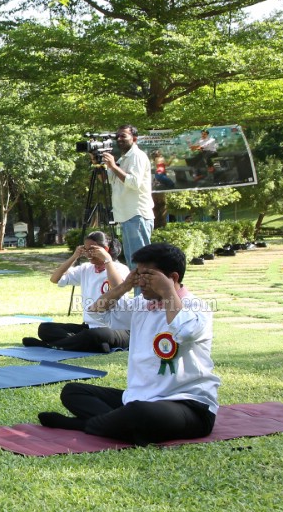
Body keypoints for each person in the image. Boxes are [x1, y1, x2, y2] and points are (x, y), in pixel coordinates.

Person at [38, 243, 220, 445]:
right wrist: (125, 286)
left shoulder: (197, 307)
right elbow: (95, 311)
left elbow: (184, 331)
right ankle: (118, 425)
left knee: (139, 413)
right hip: (138, 398)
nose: (141, 282)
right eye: (138, 274)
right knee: (73, 391)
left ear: (173, 277)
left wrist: (168, 291)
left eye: (148, 276)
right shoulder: (142, 304)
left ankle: (84, 425)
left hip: (187, 404)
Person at [24, 231, 131, 353]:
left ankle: (50, 346)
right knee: (45, 328)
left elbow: (118, 287)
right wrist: (74, 256)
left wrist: (107, 259)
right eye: (86, 250)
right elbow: (55, 279)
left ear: (105, 249)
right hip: (89, 326)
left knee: (95, 335)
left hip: (116, 329)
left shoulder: (120, 268)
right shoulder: (86, 268)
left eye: (92, 249)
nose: (89, 254)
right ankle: (90, 345)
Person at [100, 125, 153, 282]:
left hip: (137, 214)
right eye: (117, 136)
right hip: (125, 216)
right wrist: (98, 163)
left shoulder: (137, 156)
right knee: (133, 264)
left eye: (123, 136)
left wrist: (113, 166)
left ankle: (144, 300)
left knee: (141, 264)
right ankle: (140, 300)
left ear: (134, 139)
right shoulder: (123, 158)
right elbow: (107, 179)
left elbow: (134, 182)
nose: (119, 139)